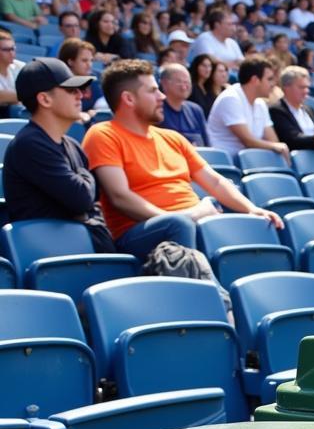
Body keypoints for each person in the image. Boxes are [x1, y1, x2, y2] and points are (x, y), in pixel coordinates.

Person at [82, 59, 282, 261]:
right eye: (152, 91)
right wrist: (184, 217)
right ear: (129, 99)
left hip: (192, 220)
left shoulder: (172, 138)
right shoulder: (103, 134)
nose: (161, 96)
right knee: (180, 225)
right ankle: (212, 293)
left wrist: (252, 209)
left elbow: (215, 181)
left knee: (253, 224)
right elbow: (120, 197)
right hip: (141, 231)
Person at [3, 57, 114, 252]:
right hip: (48, 250)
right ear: (44, 99)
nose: (81, 95)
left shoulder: (71, 144)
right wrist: (84, 176)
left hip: (79, 246)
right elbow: (81, 199)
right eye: (71, 90)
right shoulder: (29, 144)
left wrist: (83, 186)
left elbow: (92, 199)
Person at [206, 55, 289, 159]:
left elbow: (273, 140)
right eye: (269, 79)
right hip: (226, 163)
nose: (273, 84)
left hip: (250, 161)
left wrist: (278, 147)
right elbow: (248, 142)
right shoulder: (231, 98)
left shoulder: (260, 103)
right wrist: (277, 147)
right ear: (255, 80)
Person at [269, 65, 314, 151]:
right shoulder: (277, 111)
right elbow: (290, 139)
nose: (306, 91)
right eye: (301, 87)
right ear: (286, 87)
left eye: (307, 87)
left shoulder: (309, 110)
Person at [158, 63, 208, 146]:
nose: (184, 87)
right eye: (179, 82)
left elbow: (207, 145)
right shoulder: (157, 109)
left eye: (187, 82)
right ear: (164, 84)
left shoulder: (196, 110)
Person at [0, 30, 24, 118]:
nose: (11, 53)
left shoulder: (20, 67)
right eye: (6, 50)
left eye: (13, 49)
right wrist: (26, 95)